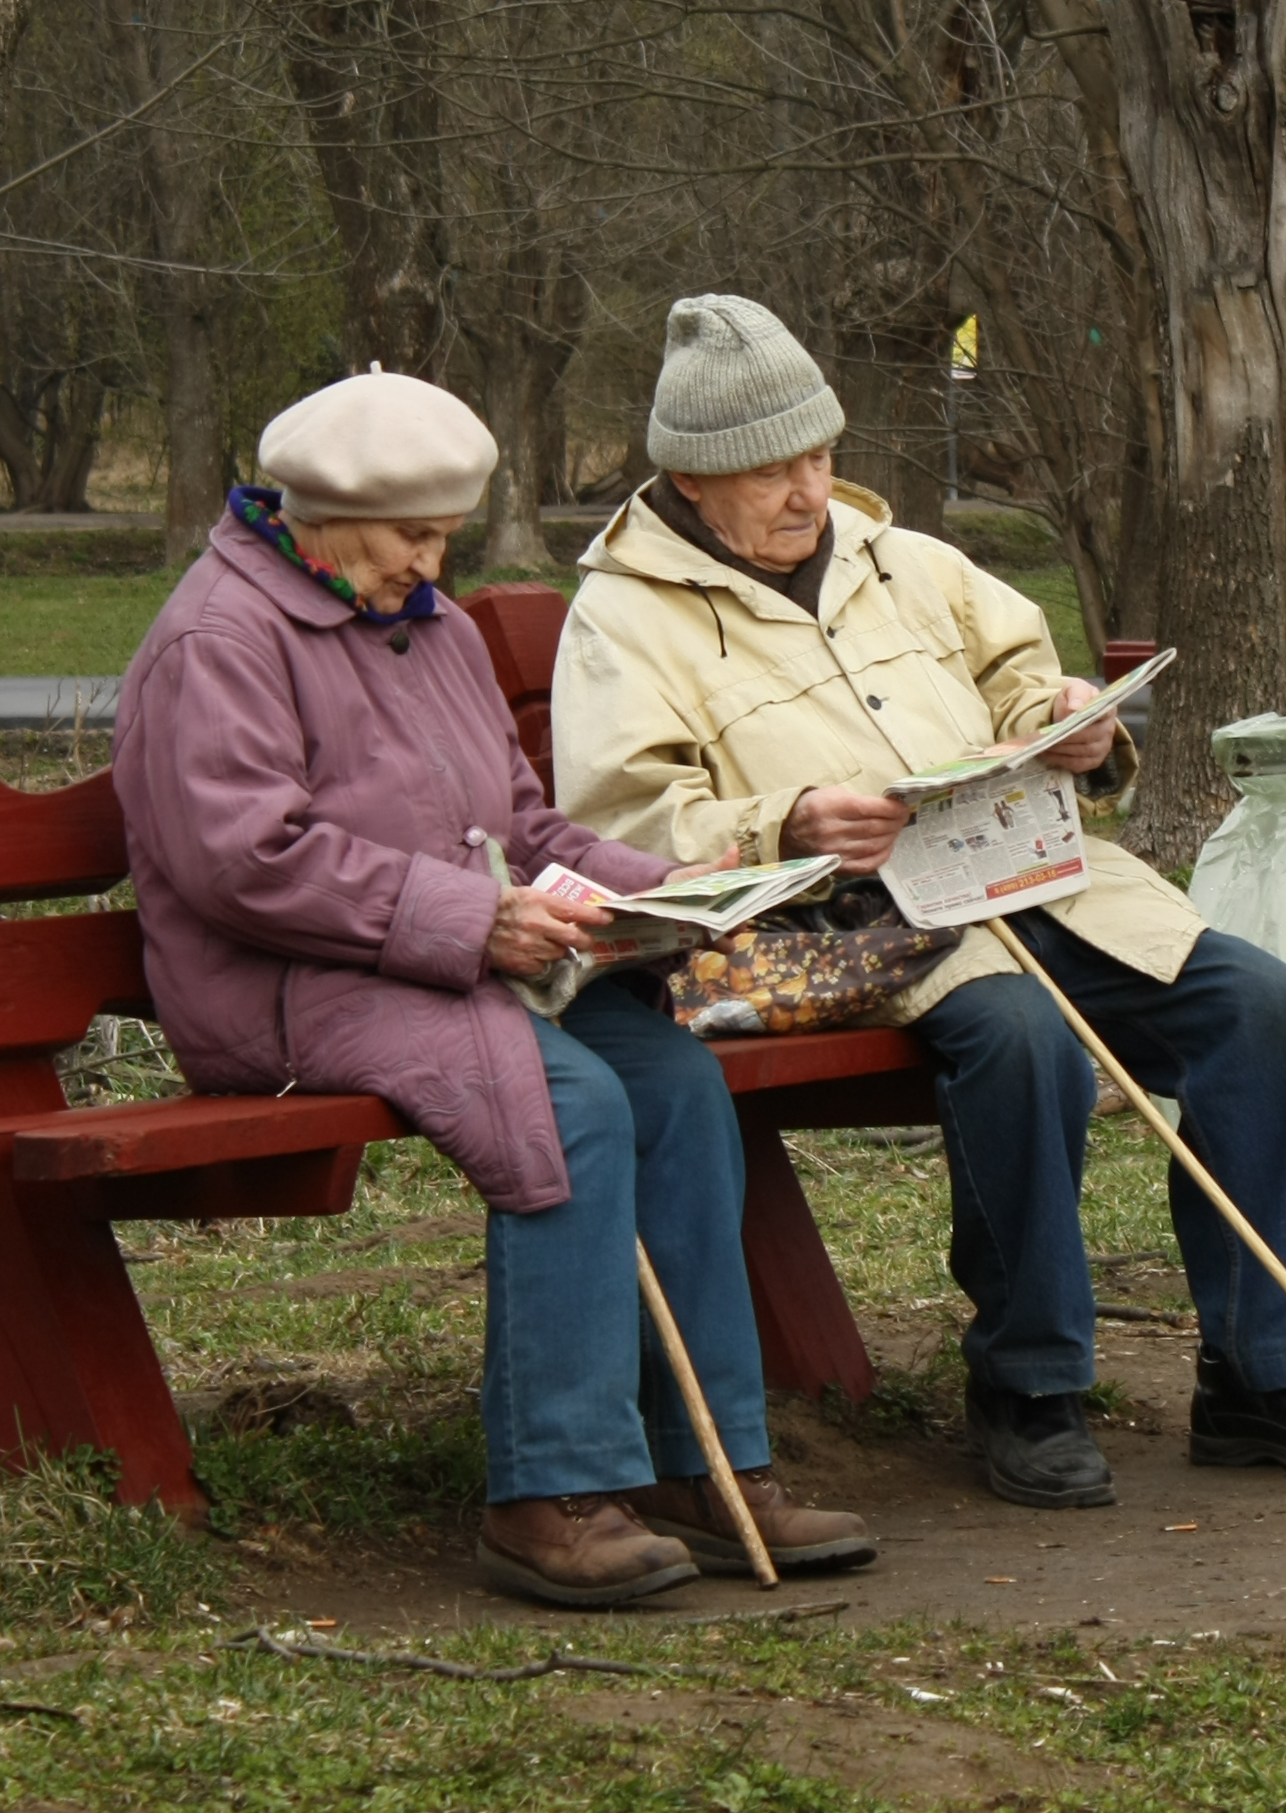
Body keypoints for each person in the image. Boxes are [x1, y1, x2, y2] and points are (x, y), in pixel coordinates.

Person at [553, 297, 1286, 1508]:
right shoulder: (626, 618)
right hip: (838, 928)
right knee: (1017, 1035)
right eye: (770, 473)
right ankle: (1028, 1387)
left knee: (1249, 1001)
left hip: (1024, 872)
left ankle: (1273, 1374)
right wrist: (787, 818)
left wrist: (1060, 720)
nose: (809, 492)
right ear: (692, 481)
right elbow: (621, 824)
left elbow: (1018, 667)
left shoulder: (903, 560)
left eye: (819, 456)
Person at [113, 367, 873, 1603]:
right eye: (410, 535)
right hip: (285, 987)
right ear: (315, 513)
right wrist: (473, 920)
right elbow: (242, 859)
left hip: (450, 964)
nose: (430, 560)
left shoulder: (434, 627)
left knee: (670, 1081)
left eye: (441, 535)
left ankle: (707, 1465)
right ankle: (550, 1491)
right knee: (561, 1100)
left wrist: (678, 891)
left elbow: (523, 821)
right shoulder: (222, 637)